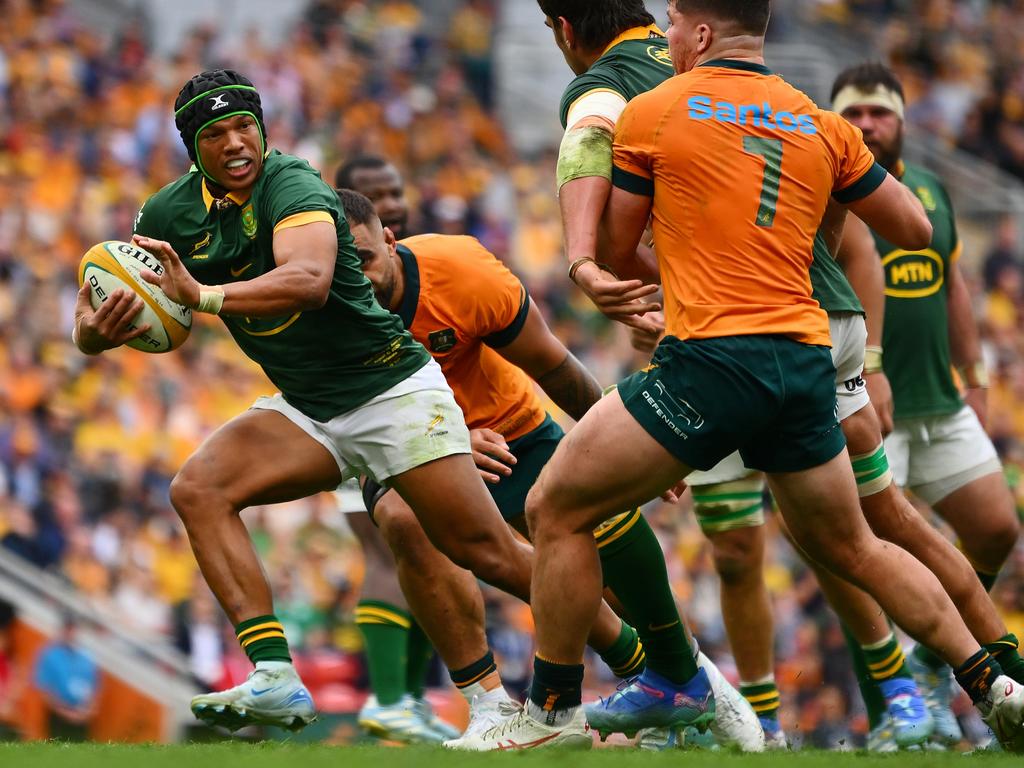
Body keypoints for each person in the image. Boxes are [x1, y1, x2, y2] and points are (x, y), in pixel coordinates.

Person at [475, 0, 1024, 751]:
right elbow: (913, 231)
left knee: (556, 506)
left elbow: (618, 241)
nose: (664, 41)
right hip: (805, 360)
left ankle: (550, 712)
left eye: (671, 26)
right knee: (860, 542)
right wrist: (805, 237)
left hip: (714, 359)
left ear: (700, 33)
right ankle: (992, 680)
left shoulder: (658, 109)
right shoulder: (819, 121)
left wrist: (634, 265)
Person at [72, 69, 539, 732]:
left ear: (263, 129)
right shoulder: (167, 216)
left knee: (484, 550)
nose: (235, 142)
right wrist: (90, 336)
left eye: (244, 127)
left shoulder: (293, 183)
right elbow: (155, 320)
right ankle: (275, 677)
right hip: (311, 404)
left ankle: (659, 664)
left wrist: (202, 298)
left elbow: (310, 280)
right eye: (215, 133)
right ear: (191, 147)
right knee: (199, 489)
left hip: (388, 389)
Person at [337, 188, 763, 751]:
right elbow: (337, 415)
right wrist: (449, 439)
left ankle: (685, 671)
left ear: (390, 240)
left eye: (364, 259)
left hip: (511, 428)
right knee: (401, 518)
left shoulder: (461, 272)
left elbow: (552, 364)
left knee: (600, 530)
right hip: (403, 444)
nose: (357, 279)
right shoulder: (318, 307)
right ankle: (492, 707)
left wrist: (636, 440)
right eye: (344, 266)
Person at [831, 61, 1023, 746]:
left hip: (940, 402)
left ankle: (940, 662)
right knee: (869, 562)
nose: (866, 126)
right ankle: (898, 713)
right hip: (870, 408)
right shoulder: (834, 193)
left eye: (878, 113)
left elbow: (953, 284)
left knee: (998, 529)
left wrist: (973, 372)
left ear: (902, 120)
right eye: (851, 114)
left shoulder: (933, 190)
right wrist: (871, 370)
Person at [332, 156, 455, 744]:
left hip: (418, 425)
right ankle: (388, 698)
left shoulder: (419, 264)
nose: (389, 202)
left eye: (395, 191)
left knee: (438, 552)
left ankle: (408, 701)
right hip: (354, 421)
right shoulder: (331, 268)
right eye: (372, 194)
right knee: (387, 552)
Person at [34, 614, 98, 742]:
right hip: (58, 715)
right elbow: (45, 689)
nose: (71, 633)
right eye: (68, 629)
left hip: (81, 716)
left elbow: (94, 690)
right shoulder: (50, 654)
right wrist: (64, 711)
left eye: (73, 629)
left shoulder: (86, 657)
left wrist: (84, 713)